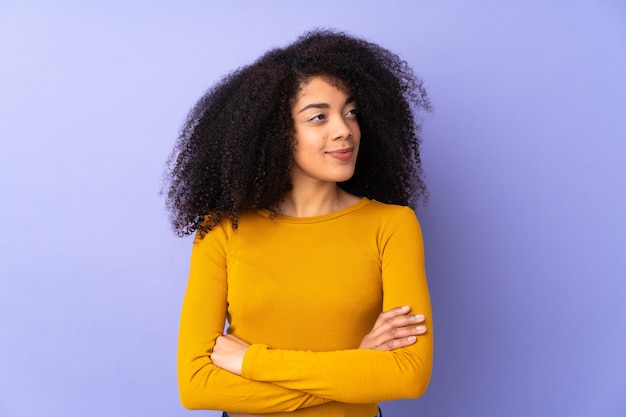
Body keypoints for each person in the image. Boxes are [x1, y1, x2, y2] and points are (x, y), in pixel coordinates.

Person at [164, 30, 433, 417]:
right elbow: (196, 386)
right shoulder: (222, 231)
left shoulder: (392, 225)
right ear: (275, 132)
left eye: (351, 112)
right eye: (319, 117)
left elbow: (408, 376)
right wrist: (356, 366)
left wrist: (254, 362)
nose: (344, 129)